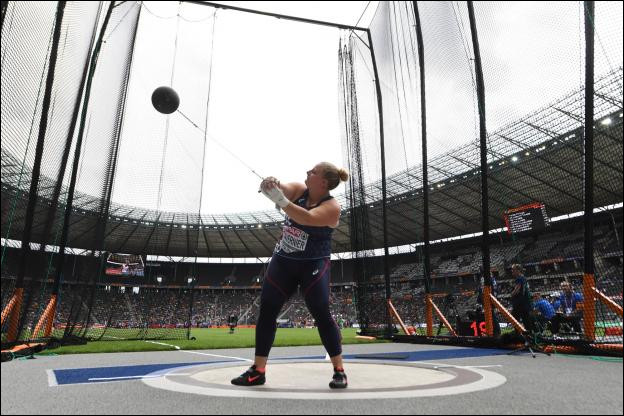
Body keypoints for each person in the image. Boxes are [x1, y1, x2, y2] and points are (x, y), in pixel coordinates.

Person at [231, 162, 349, 389]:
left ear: (323, 182)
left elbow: (306, 217)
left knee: (321, 311)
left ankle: (339, 370)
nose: (307, 173)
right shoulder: (299, 189)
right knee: (267, 310)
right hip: (284, 261)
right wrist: (271, 185)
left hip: (313, 264)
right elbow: (283, 189)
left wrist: (281, 201)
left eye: (313, 172)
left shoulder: (332, 207)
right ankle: (258, 370)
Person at [509, 264, 534, 333]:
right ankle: (529, 333)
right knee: (525, 319)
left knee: (515, 318)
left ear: (518, 270)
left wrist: (511, 294)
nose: (512, 271)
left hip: (520, 303)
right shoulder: (523, 278)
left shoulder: (519, 278)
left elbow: (517, 290)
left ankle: (517, 333)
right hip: (524, 302)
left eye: (513, 270)